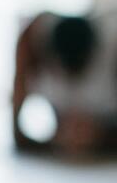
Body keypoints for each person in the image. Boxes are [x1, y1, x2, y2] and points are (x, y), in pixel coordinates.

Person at [12, 9, 117, 157]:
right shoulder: (33, 39)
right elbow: (18, 135)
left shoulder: (112, 50)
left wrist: (102, 136)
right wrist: (42, 143)